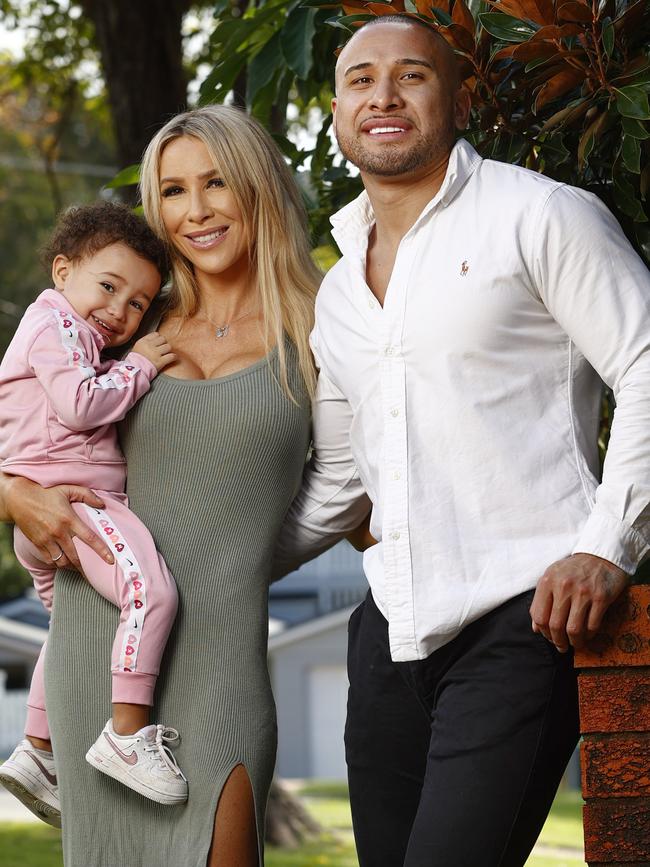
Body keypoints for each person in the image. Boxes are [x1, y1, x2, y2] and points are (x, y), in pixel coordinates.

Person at [273, 15, 650, 867]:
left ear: (458, 96)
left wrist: (608, 545)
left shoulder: (542, 215)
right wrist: (210, 570)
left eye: (411, 75)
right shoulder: (338, 293)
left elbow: (647, 361)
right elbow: (337, 483)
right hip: (386, 635)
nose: (384, 95)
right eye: (361, 78)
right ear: (337, 109)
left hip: (524, 614)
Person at [0, 104, 320, 867]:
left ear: (259, 188)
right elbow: (29, 424)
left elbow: (356, 486)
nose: (196, 210)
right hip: (94, 650)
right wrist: (12, 495)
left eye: (217, 183)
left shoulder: (321, 326)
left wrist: (246, 559)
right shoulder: (125, 324)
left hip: (223, 658)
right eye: (172, 191)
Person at [0, 202, 189, 826]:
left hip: (45, 511)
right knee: (151, 593)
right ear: (62, 271)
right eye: (108, 287)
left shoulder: (68, 333)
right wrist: (138, 366)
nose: (119, 311)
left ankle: (38, 750)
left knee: (67, 633)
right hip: (74, 503)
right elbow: (81, 406)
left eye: (138, 303)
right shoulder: (52, 326)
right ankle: (126, 735)